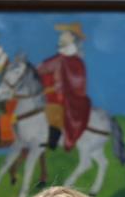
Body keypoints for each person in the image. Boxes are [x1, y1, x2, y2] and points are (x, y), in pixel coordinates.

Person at [37, 22, 91, 152]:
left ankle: (53, 142)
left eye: (65, 36)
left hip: (66, 98)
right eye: (62, 36)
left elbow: (76, 83)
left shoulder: (76, 62)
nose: (61, 38)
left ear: (73, 40)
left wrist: (57, 88)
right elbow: (42, 68)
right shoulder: (58, 58)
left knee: (54, 110)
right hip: (49, 93)